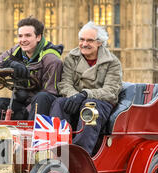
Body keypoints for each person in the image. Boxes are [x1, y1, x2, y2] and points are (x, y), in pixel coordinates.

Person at [50, 21, 122, 155]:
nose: (84, 44)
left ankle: (80, 155)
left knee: (90, 109)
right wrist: (74, 96)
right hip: (75, 98)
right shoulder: (72, 57)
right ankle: (56, 149)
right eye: (82, 40)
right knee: (58, 103)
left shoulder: (112, 62)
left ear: (99, 42)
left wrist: (84, 94)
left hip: (100, 103)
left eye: (89, 40)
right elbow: (64, 83)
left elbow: (111, 91)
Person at [0, 17, 63, 120]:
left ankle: (33, 133)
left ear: (38, 37)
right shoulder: (16, 51)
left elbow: (50, 93)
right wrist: (8, 63)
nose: (23, 40)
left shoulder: (52, 60)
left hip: (44, 107)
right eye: (20, 36)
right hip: (23, 102)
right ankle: (6, 134)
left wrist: (26, 111)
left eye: (28, 36)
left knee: (41, 98)